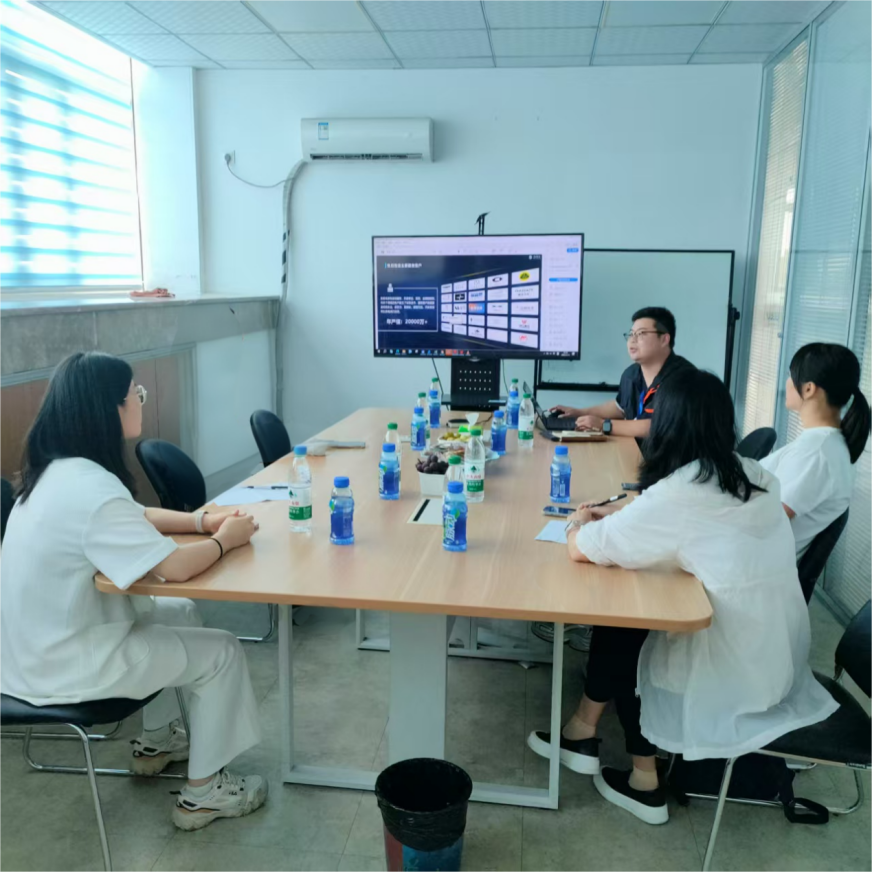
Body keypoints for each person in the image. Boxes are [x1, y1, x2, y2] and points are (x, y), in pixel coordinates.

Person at [527, 369, 837, 825]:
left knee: (627, 619)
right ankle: (580, 731)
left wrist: (579, 520)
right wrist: (622, 512)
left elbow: (582, 549)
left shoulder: (682, 492)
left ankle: (644, 784)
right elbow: (683, 520)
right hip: (769, 648)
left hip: (723, 660)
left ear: (668, 425)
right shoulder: (753, 475)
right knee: (625, 610)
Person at [0, 352, 267, 832]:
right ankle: (204, 795)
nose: (141, 400)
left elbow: (133, 515)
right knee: (223, 651)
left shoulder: (54, 474)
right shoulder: (91, 488)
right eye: (135, 394)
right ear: (109, 409)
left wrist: (202, 521)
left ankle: (157, 741)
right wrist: (226, 540)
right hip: (66, 668)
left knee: (180, 612)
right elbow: (175, 568)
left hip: (25, 656)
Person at [760, 343, 870, 557]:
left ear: (809, 389)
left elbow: (766, 522)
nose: (787, 382)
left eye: (791, 375)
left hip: (751, 563)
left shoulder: (817, 452)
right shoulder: (822, 444)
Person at [551, 307, 694, 437]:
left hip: (672, 456)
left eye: (641, 333)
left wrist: (603, 425)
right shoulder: (631, 374)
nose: (632, 340)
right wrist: (580, 413)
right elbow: (621, 407)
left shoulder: (683, 380)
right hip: (637, 450)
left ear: (664, 339)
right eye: (631, 334)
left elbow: (657, 426)